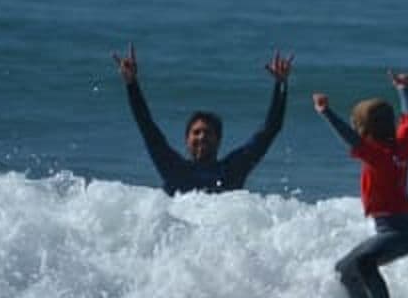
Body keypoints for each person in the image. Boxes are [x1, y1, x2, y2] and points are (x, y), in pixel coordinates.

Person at [312, 71, 408, 298]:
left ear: (365, 131)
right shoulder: (401, 147)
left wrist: (326, 113)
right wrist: (404, 89)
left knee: (362, 263)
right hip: (398, 232)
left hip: (397, 234)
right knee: (345, 269)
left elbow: (351, 140)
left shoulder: (378, 156)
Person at [112, 43, 293, 195]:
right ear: (187, 139)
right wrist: (131, 84)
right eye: (196, 132)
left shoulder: (233, 169)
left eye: (207, 132)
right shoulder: (173, 168)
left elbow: (270, 129)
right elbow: (146, 126)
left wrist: (281, 85)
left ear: (218, 139)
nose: (201, 137)